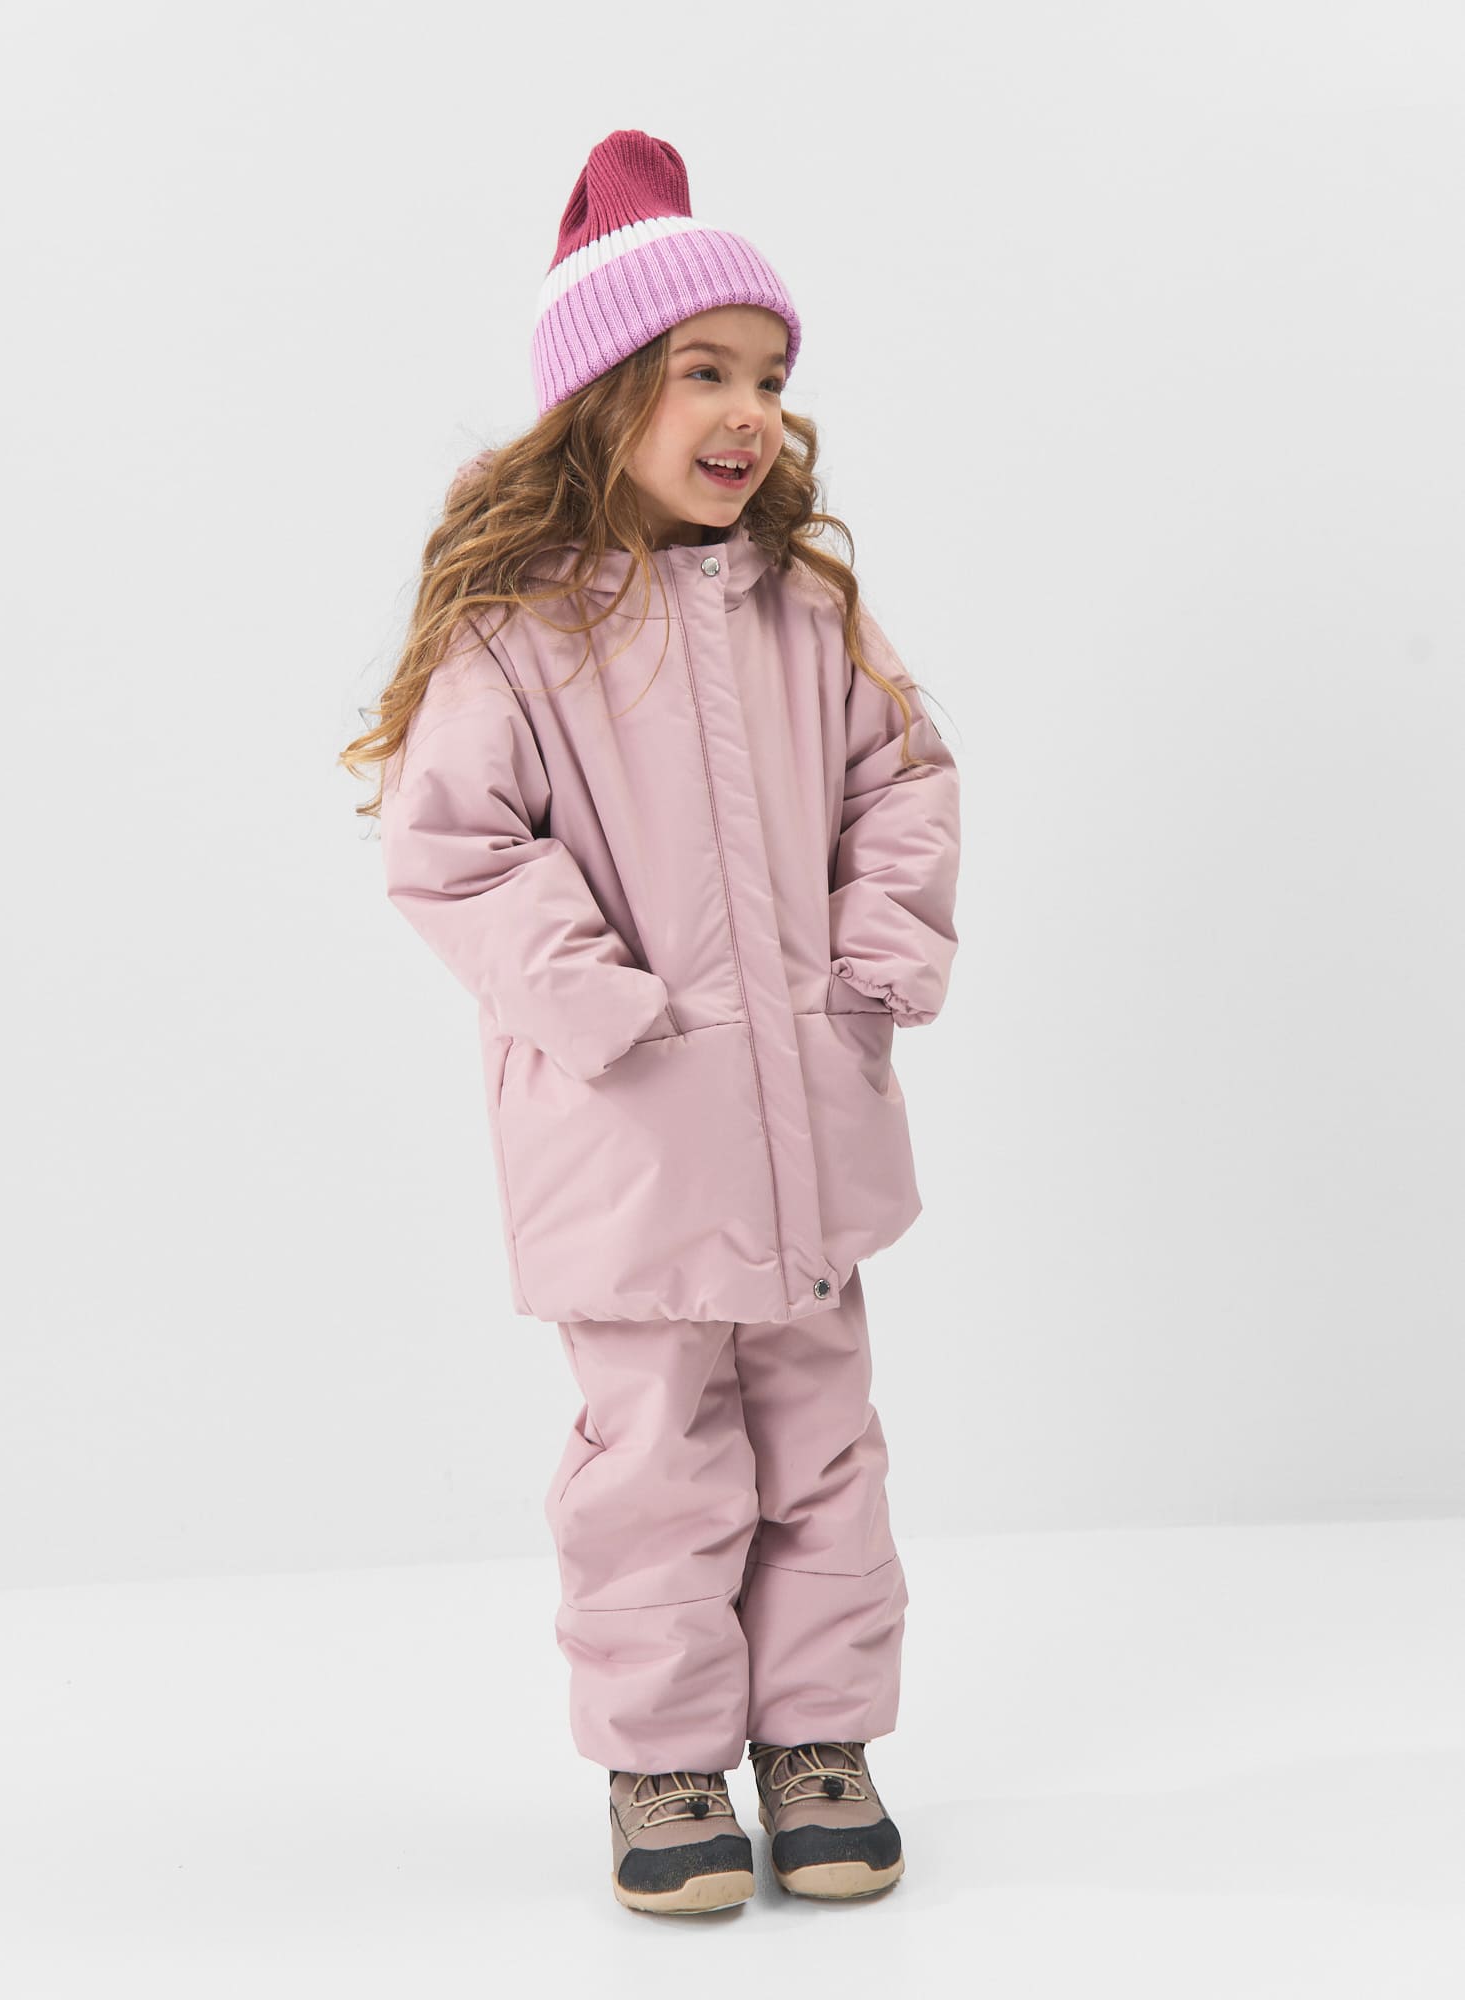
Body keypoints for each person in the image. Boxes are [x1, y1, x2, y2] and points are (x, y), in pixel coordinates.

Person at [341, 128, 962, 1917]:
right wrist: (607, 1006)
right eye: (705, 372)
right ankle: (667, 1763)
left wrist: (873, 966)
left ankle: (821, 1742)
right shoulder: (519, 635)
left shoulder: (808, 615)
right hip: (626, 1142)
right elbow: (453, 847)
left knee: (824, 1449)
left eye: (768, 375)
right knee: (655, 1467)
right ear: (604, 394)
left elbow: (906, 780)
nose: (749, 411)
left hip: (811, 1130)